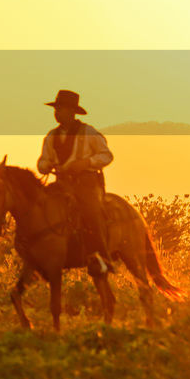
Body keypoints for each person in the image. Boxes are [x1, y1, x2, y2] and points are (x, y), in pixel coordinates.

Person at [36, 89, 115, 275]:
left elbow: (107, 156)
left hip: (86, 183)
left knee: (91, 212)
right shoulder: (51, 136)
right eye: (56, 109)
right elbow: (42, 161)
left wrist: (87, 162)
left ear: (72, 111)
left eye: (60, 109)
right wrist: (46, 165)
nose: (56, 113)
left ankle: (101, 259)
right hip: (62, 183)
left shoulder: (88, 132)